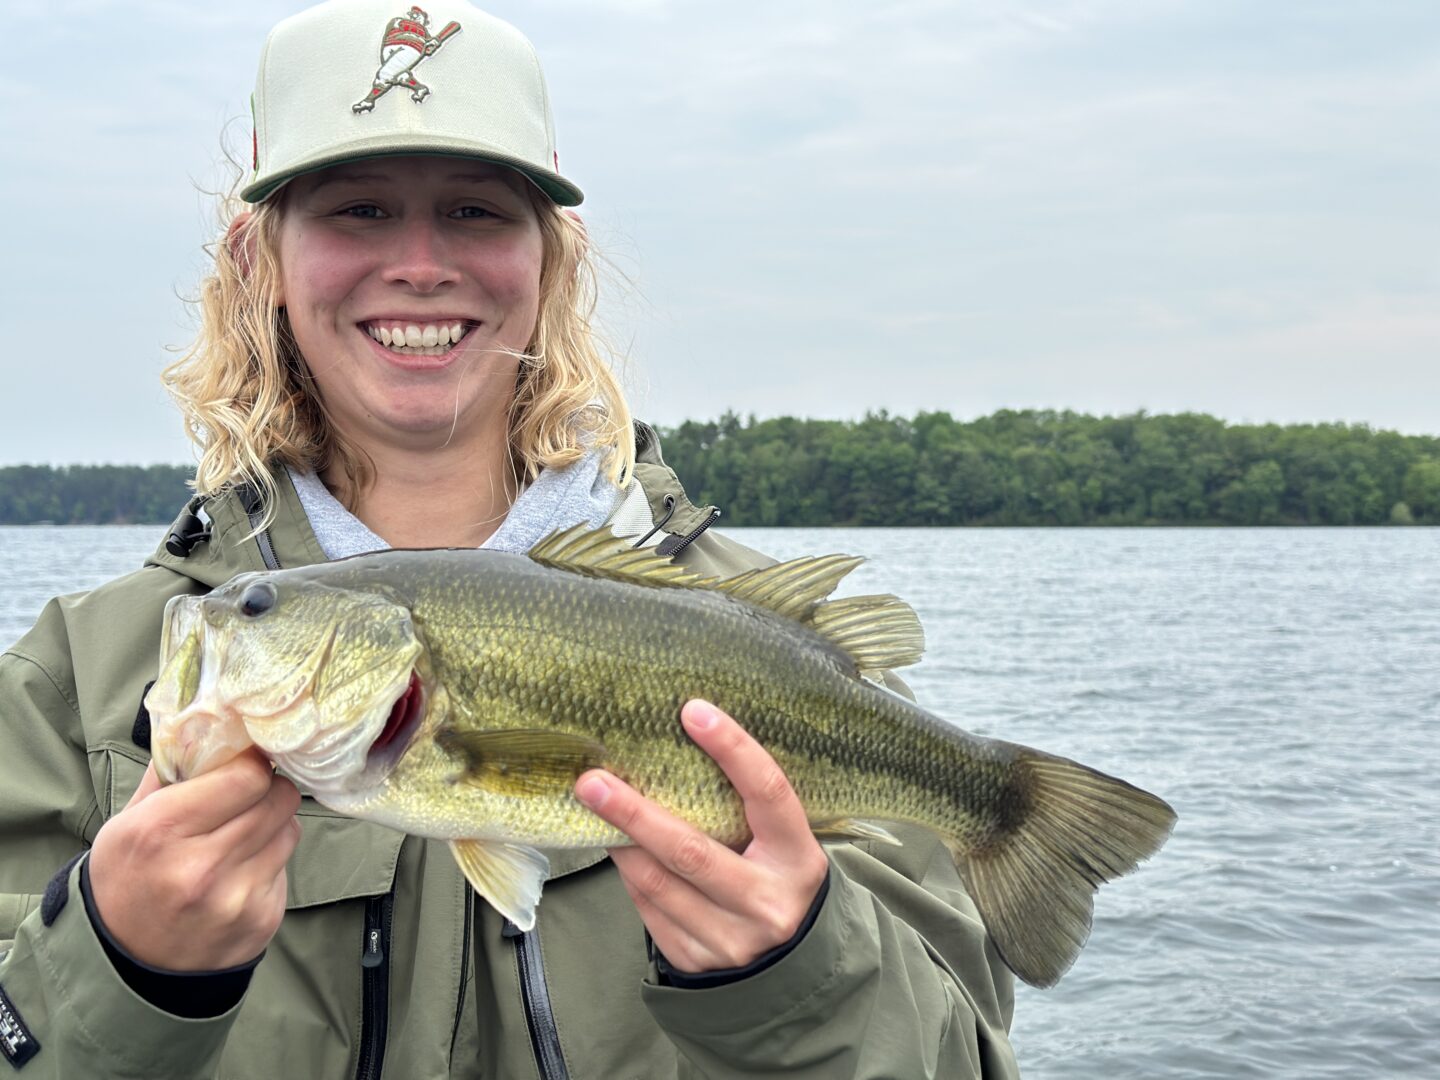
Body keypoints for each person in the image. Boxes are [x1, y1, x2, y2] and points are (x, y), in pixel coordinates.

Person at [0, 2, 1019, 1076]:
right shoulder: (79, 677)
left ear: (551, 258)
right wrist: (123, 970)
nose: (422, 264)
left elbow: (961, 1056)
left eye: (478, 212)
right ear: (258, 256)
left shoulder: (746, 631)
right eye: (358, 210)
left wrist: (800, 977)